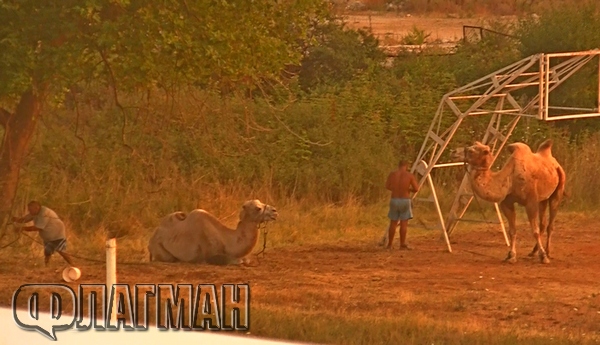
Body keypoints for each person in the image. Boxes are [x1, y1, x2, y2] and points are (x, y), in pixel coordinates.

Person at [12, 201, 74, 266]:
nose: (29, 211)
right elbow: (24, 219)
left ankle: (73, 265)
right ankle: (47, 266)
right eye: (29, 209)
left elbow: (37, 228)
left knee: (61, 251)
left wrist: (22, 229)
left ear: (37, 208)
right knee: (47, 251)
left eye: (30, 209)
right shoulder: (35, 212)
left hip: (57, 233)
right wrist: (15, 219)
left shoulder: (44, 213)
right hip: (49, 235)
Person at [384, 160, 419, 250]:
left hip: (394, 199)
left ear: (398, 165)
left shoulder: (392, 174)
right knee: (404, 223)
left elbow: (387, 186)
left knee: (393, 222)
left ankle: (390, 244)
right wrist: (408, 189)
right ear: (406, 166)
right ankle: (402, 244)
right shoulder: (409, 175)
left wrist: (395, 189)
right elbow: (416, 188)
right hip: (404, 200)